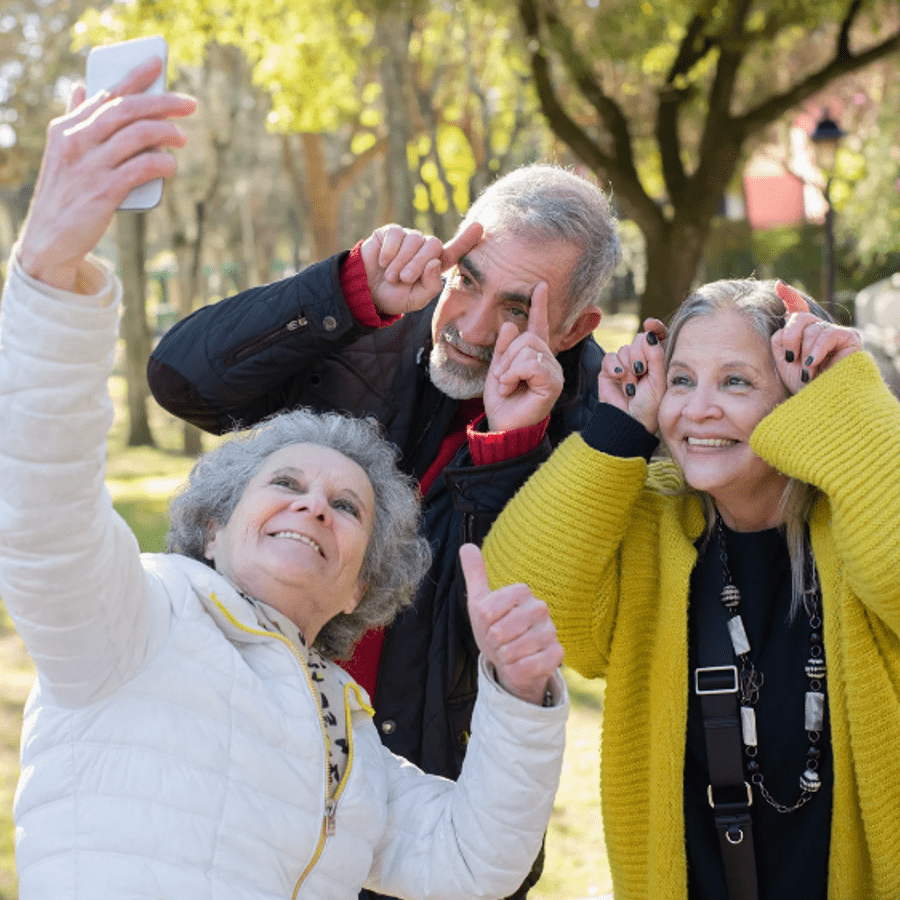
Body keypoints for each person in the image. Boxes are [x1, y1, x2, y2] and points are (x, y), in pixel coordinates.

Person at [0, 58, 570, 899]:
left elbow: (474, 860)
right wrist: (50, 271)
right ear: (211, 527)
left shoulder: (351, 738)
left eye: (346, 507)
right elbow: (41, 515)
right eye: (285, 484)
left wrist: (522, 699)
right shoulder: (136, 623)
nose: (314, 503)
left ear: (361, 589)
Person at [148, 147, 620, 896]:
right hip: (250, 764)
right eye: (468, 278)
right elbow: (180, 380)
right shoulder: (370, 323)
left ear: (575, 327)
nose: (467, 324)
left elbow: (518, 627)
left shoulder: (602, 429)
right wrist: (346, 288)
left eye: (516, 310)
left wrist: (509, 450)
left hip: (421, 813)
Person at [482, 278, 900, 899]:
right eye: (681, 380)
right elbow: (520, 595)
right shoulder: (649, 523)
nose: (698, 409)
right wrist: (617, 431)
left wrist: (845, 394)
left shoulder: (858, 519)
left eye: (735, 381)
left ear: (797, 394)